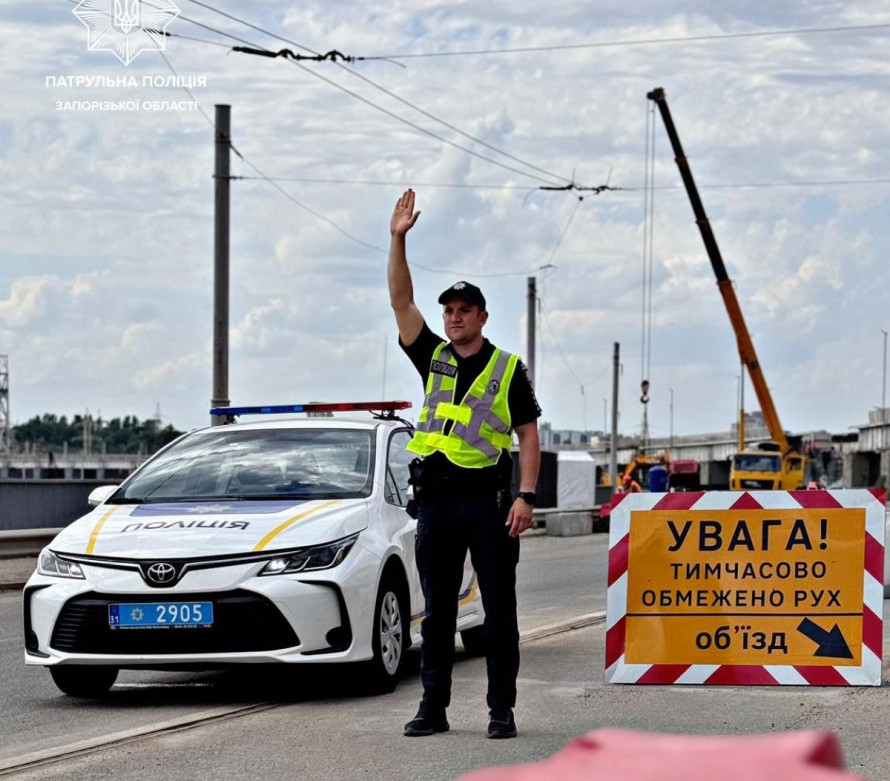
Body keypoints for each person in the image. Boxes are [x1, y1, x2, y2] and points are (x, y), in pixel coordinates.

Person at [388, 188, 541, 740]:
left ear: (482, 315)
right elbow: (401, 302)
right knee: (439, 615)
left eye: (463, 311)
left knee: (499, 611)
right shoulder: (432, 357)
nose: (453, 319)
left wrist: (526, 496)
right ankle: (434, 709)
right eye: (448, 311)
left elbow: (527, 435)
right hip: (436, 501)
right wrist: (398, 238)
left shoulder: (507, 368)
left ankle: (501, 710)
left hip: (489, 501)